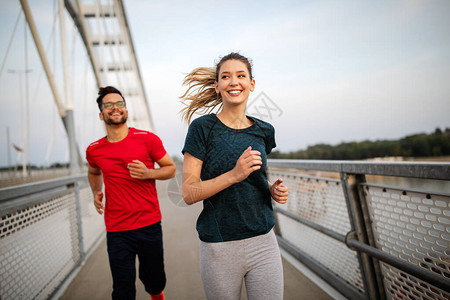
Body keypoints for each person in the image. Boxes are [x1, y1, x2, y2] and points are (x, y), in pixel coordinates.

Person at [180, 53, 289, 300]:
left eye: (241, 76)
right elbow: (188, 193)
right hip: (220, 246)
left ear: (252, 84)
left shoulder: (264, 130)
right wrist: (233, 175)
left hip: (263, 241)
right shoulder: (202, 128)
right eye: (226, 76)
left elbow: (256, 177)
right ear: (217, 86)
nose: (234, 82)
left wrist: (272, 188)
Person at [86, 86, 175, 300]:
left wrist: (148, 173)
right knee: (122, 290)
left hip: (149, 224)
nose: (114, 108)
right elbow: (93, 170)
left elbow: (170, 169)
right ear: (101, 114)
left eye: (119, 104)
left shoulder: (147, 139)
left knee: (155, 281)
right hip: (117, 229)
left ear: (126, 110)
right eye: (108, 105)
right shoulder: (94, 149)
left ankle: (154, 289)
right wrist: (97, 191)